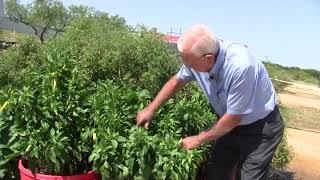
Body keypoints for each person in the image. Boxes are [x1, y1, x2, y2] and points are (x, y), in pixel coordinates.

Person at [136, 24, 284, 180]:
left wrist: (198, 139)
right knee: (217, 173)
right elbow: (176, 81)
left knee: (250, 176)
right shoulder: (196, 57)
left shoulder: (241, 66)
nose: (187, 67)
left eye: (190, 64)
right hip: (229, 125)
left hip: (261, 129)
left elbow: (233, 118)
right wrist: (151, 109)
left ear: (208, 59)